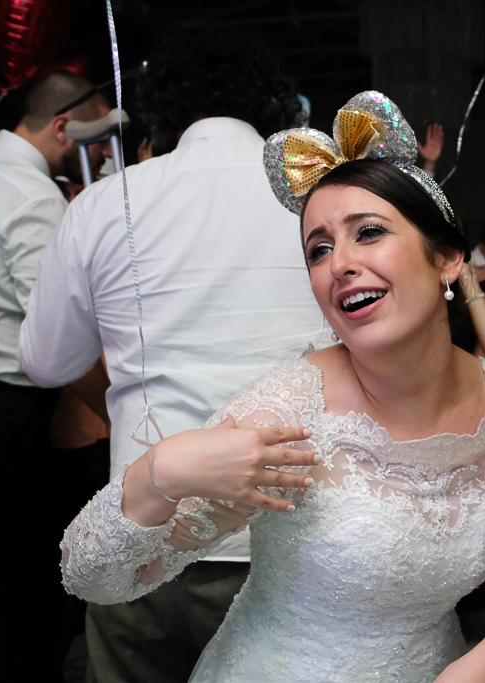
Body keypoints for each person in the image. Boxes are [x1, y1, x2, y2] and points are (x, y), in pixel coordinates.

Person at [59, 91, 485, 682]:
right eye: (319, 249)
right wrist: (161, 472)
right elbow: (95, 579)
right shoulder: (290, 414)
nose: (340, 265)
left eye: (369, 233)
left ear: (449, 259)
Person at [20, 37, 332, 682]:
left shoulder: (105, 203)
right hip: (292, 533)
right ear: (276, 111)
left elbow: (46, 362)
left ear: (159, 116)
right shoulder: (324, 203)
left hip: (145, 533)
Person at [0, 69, 110, 682]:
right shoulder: (31, 195)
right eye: (96, 139)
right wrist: (116, 412)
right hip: (6, 414)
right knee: (19, 581)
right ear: (62, 128)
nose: (101, 154)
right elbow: (53, 331)